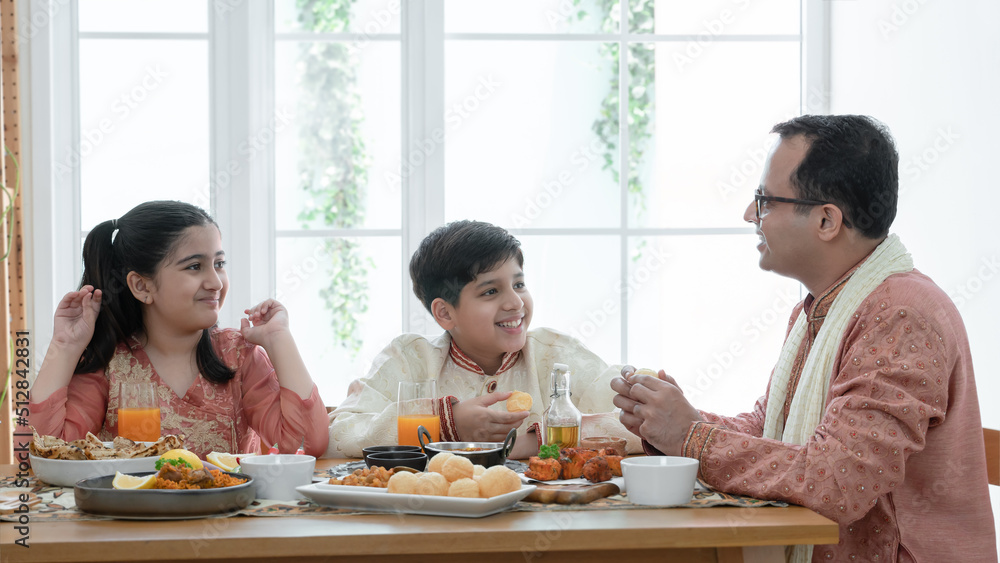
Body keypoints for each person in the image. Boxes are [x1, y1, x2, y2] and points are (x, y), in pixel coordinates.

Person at [612, 115, 996, 562]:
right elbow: (766, 428)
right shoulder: (822, 306)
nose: (749, 215)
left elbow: (836, 482)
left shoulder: (900, 314)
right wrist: (673, 418)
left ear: (827, 220)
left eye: (764, 200)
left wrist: (692, 437)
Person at [27, 201, 329, 458]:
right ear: (142, 286)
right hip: (131, 524)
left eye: (219, 263)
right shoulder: (110, 364)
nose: (216, 282)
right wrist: (65, 347)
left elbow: (304, 444)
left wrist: (279, 339)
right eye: (194, 267)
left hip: (226, 522)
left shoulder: (238, 356)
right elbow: (44, 451)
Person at [326, 220, 639, 459]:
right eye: (491, 291)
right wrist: (449, 423)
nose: (515, 303)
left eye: (519, 284)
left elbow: (639, 425)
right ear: (445, 313)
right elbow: (340, 433)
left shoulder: (557, 355)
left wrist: (537, 441)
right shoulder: (410, 360)